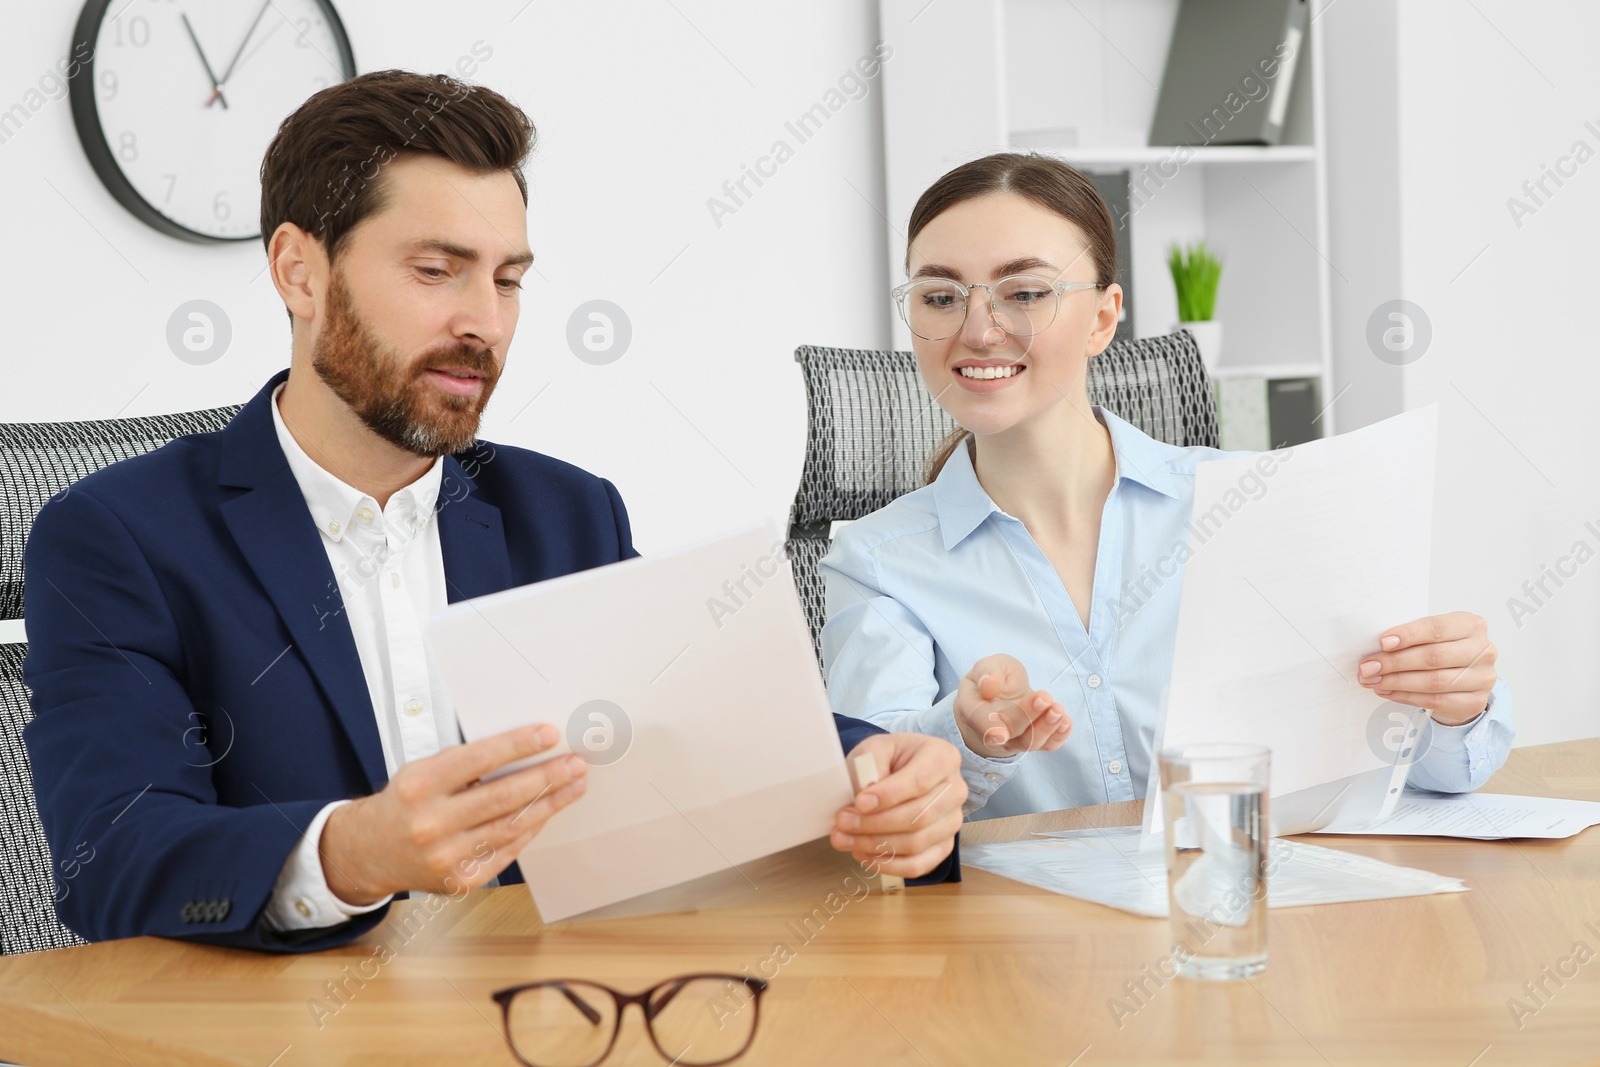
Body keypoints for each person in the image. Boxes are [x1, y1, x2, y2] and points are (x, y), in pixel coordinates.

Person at [22, 71, 964, 951]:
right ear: (299, 273)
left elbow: (694, 730)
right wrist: (353, 852)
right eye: (437, 270)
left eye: (508, 279)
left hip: (549, 1016)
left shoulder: (564, 513)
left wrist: (877, 768)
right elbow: (111, 860)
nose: (486, 322)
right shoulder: (120, 537)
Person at [820, 152, 1513, 822]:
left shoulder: (1251, 503)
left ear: (1103, 316)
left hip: (1248, 907)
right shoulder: (877, 560)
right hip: (1022, 937)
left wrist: (1453, 703)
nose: (977, 329)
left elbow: (1437, 770)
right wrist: (964, 736)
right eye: (940, 297)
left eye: (1025, 292)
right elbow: (874, 794)